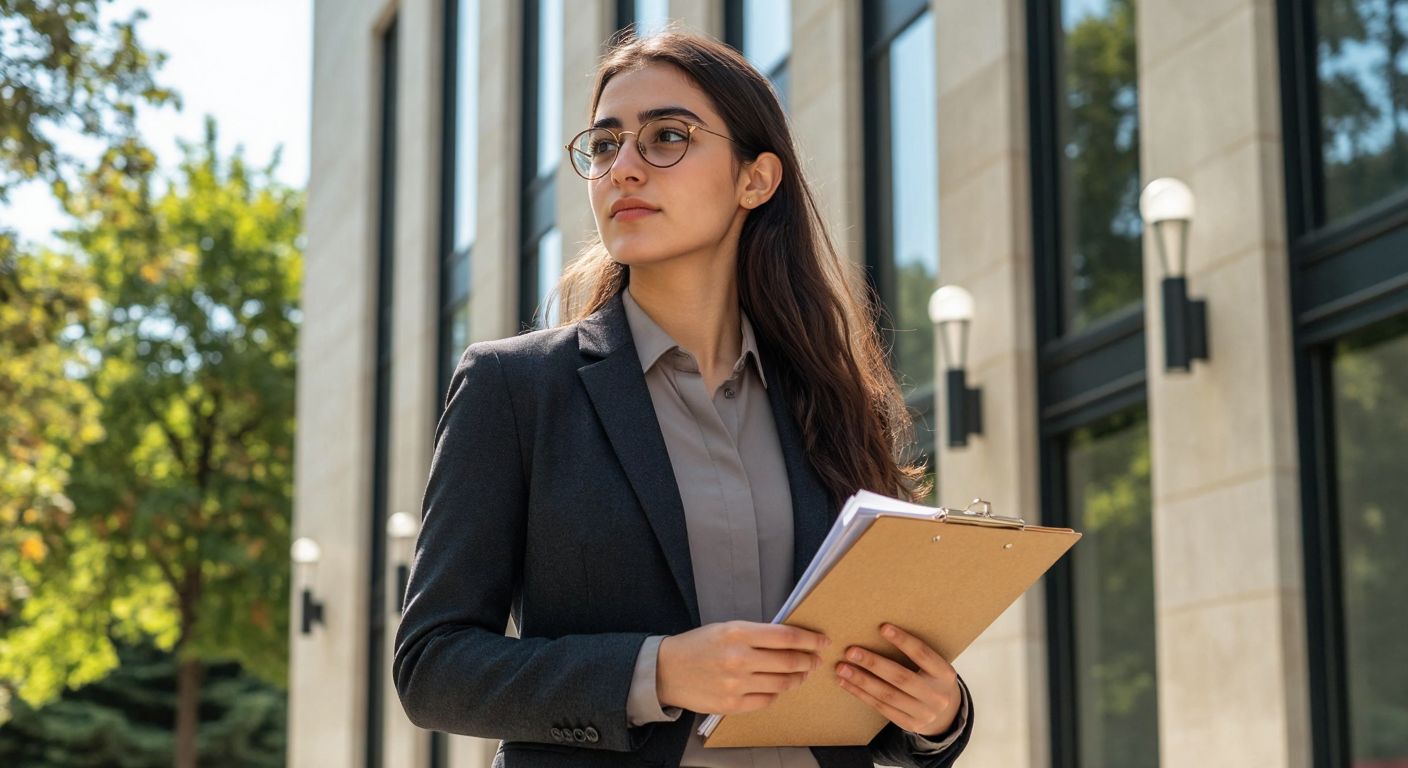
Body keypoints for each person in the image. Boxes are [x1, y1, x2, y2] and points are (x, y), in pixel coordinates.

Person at [393, 30, 973, 768]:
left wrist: (939, 715)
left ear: (756, 180)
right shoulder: (516, 389)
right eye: (605, 147)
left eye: (667, 137)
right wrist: (656, 672)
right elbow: (432, 668)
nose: (624, 169)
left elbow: (871, 677)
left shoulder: (830, 400)